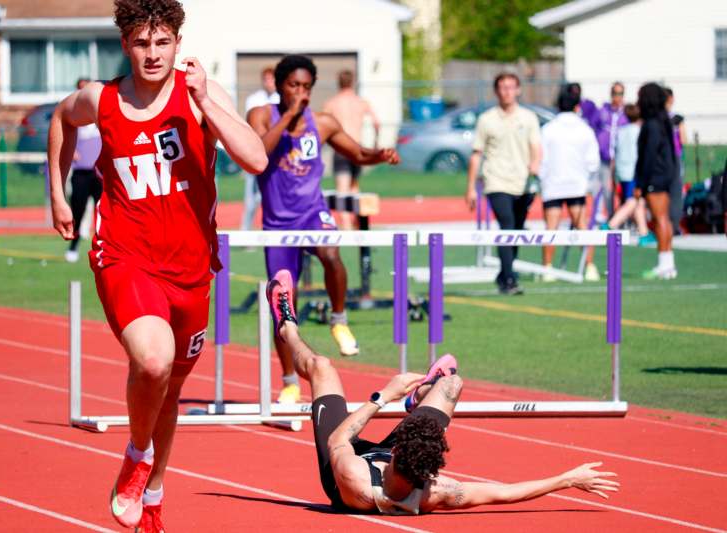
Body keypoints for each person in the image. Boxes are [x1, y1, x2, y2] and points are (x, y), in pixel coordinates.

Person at [47, 0, 267, 530]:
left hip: (192, 268)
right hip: (125, 256)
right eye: (142, 43)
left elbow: (256, 158)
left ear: (177, 42)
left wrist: (204, 104)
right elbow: (60, 119)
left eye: (162, 41)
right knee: (151, 360)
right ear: (125, 44)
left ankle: (155, 492)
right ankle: (137, 457)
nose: (152, 53)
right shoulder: (100, 99)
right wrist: (56, 194)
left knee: (168, 391)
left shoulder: (201, 95)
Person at [265, 268, 620, 514]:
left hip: (342, 455)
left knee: (322, 366)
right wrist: (568, 479)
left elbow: (340, 440)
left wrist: (383, 396)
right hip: (394, 464)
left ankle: (286, 325)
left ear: (399, 453)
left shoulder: (356, 480)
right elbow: (503, 492)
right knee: (452, 384)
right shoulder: (434, 487)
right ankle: (417, 399)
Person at [247, 55, 399, 402]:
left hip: (312, 212)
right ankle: (288, 380)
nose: (300, 92)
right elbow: (258, 154)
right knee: (285, 305)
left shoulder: (324, 122)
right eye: (293, 86)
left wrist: (380, 154)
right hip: (278, 222)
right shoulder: (261, 116)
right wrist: (287, 116)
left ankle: (339, 319)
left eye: (306, 87)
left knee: (332, 254)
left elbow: (358, 153)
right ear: (279, 86)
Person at [465, 72, 542, 295]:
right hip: (496, 181)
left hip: (523, 182)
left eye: (511, 87)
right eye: (502, 87)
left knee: (516, 230)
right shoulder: (487, 119)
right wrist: (470, 188)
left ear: (518, 90)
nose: (507, 91)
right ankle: (509, 279)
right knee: (506, 226)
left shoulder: (528, 117)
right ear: (496, 91)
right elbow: (476, 154)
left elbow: (536, 146)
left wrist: (535, 165)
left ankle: (503, 272)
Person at [538, 84, 601, 282]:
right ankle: (589, 267)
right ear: (577, 107)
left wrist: (543, 178)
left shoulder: (547, 129)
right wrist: (587, 180)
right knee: (582, 227)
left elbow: (541, 159)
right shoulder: (585, 130)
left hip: (553, 185)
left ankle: (547, 269)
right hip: (576, 185)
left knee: (551, 228)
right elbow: (593, 161)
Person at [322, 69, 380, 229]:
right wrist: (375, 142)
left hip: (341, 148)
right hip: (357, 148)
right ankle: (359, 224)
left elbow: (322, 124)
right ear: (353, 82)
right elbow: (376, 122)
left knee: (342, 189)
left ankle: (347, 225)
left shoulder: (332, 103)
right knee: (354, 186)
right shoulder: (361, 102)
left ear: (338, 82)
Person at [635, 82, 678, 279]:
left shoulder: (652, 124)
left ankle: (664, 263)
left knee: (659, 218)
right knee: (664, 219)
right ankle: (668, 263)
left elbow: (648, 155)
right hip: (664, 175)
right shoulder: (662, 121)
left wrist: (640, 183)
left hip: (655, 176)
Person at [601, 104, 656, 247]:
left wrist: (614, 174)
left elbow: (615, 152)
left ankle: (644, 233)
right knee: (633, 201)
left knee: (638, 202)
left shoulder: (621, 131)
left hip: (622, 171)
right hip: (634, 171)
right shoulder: (640, 132)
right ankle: (611, 225)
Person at [64, 78, 103, 263]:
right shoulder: (73, 117)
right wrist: (71, 152)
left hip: (100, 173)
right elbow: (62, 138)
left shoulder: (100, 114)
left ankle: (105, 247)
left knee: (104, 213)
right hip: (81, 173)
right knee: (77, 212)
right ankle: (73, 245)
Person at [241, 67, 280, 231]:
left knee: (276, 197)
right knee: (251, 199)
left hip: (277, 156)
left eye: (272, 79)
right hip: (256, 153)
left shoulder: (281, 99)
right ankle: (245, 234)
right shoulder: (254, 99)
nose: (269, 83)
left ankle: (275, 232)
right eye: (267, 79)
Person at [593, 82, 628, 220]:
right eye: (615, 93)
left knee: (623, 190)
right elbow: (594, 128)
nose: (617, 97)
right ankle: (610, 216)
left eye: (620, 94)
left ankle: (623, 218)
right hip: (605, 158)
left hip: (621, 159)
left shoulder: (626, 114)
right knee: (607, 189)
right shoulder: (603, 111)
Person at [664, 87, 687, 235]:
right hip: (667, 159)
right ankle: (669, 224)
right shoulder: (660, 118)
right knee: (670, 192)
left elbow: (684, 140)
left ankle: (673, 224)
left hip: (673, 158)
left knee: (674, 192)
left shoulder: (676, 119)